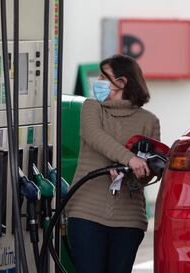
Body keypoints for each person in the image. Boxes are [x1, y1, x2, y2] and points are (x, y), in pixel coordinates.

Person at [66, 54, 160, 273]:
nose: (97, 82)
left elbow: (147, 173)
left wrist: (138, 172)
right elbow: (95, 136)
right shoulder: (92, 108)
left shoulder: (149, 121)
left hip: (128, 219)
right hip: (86, 212)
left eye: (103, 76)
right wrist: (129, 158)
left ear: (122, 82)